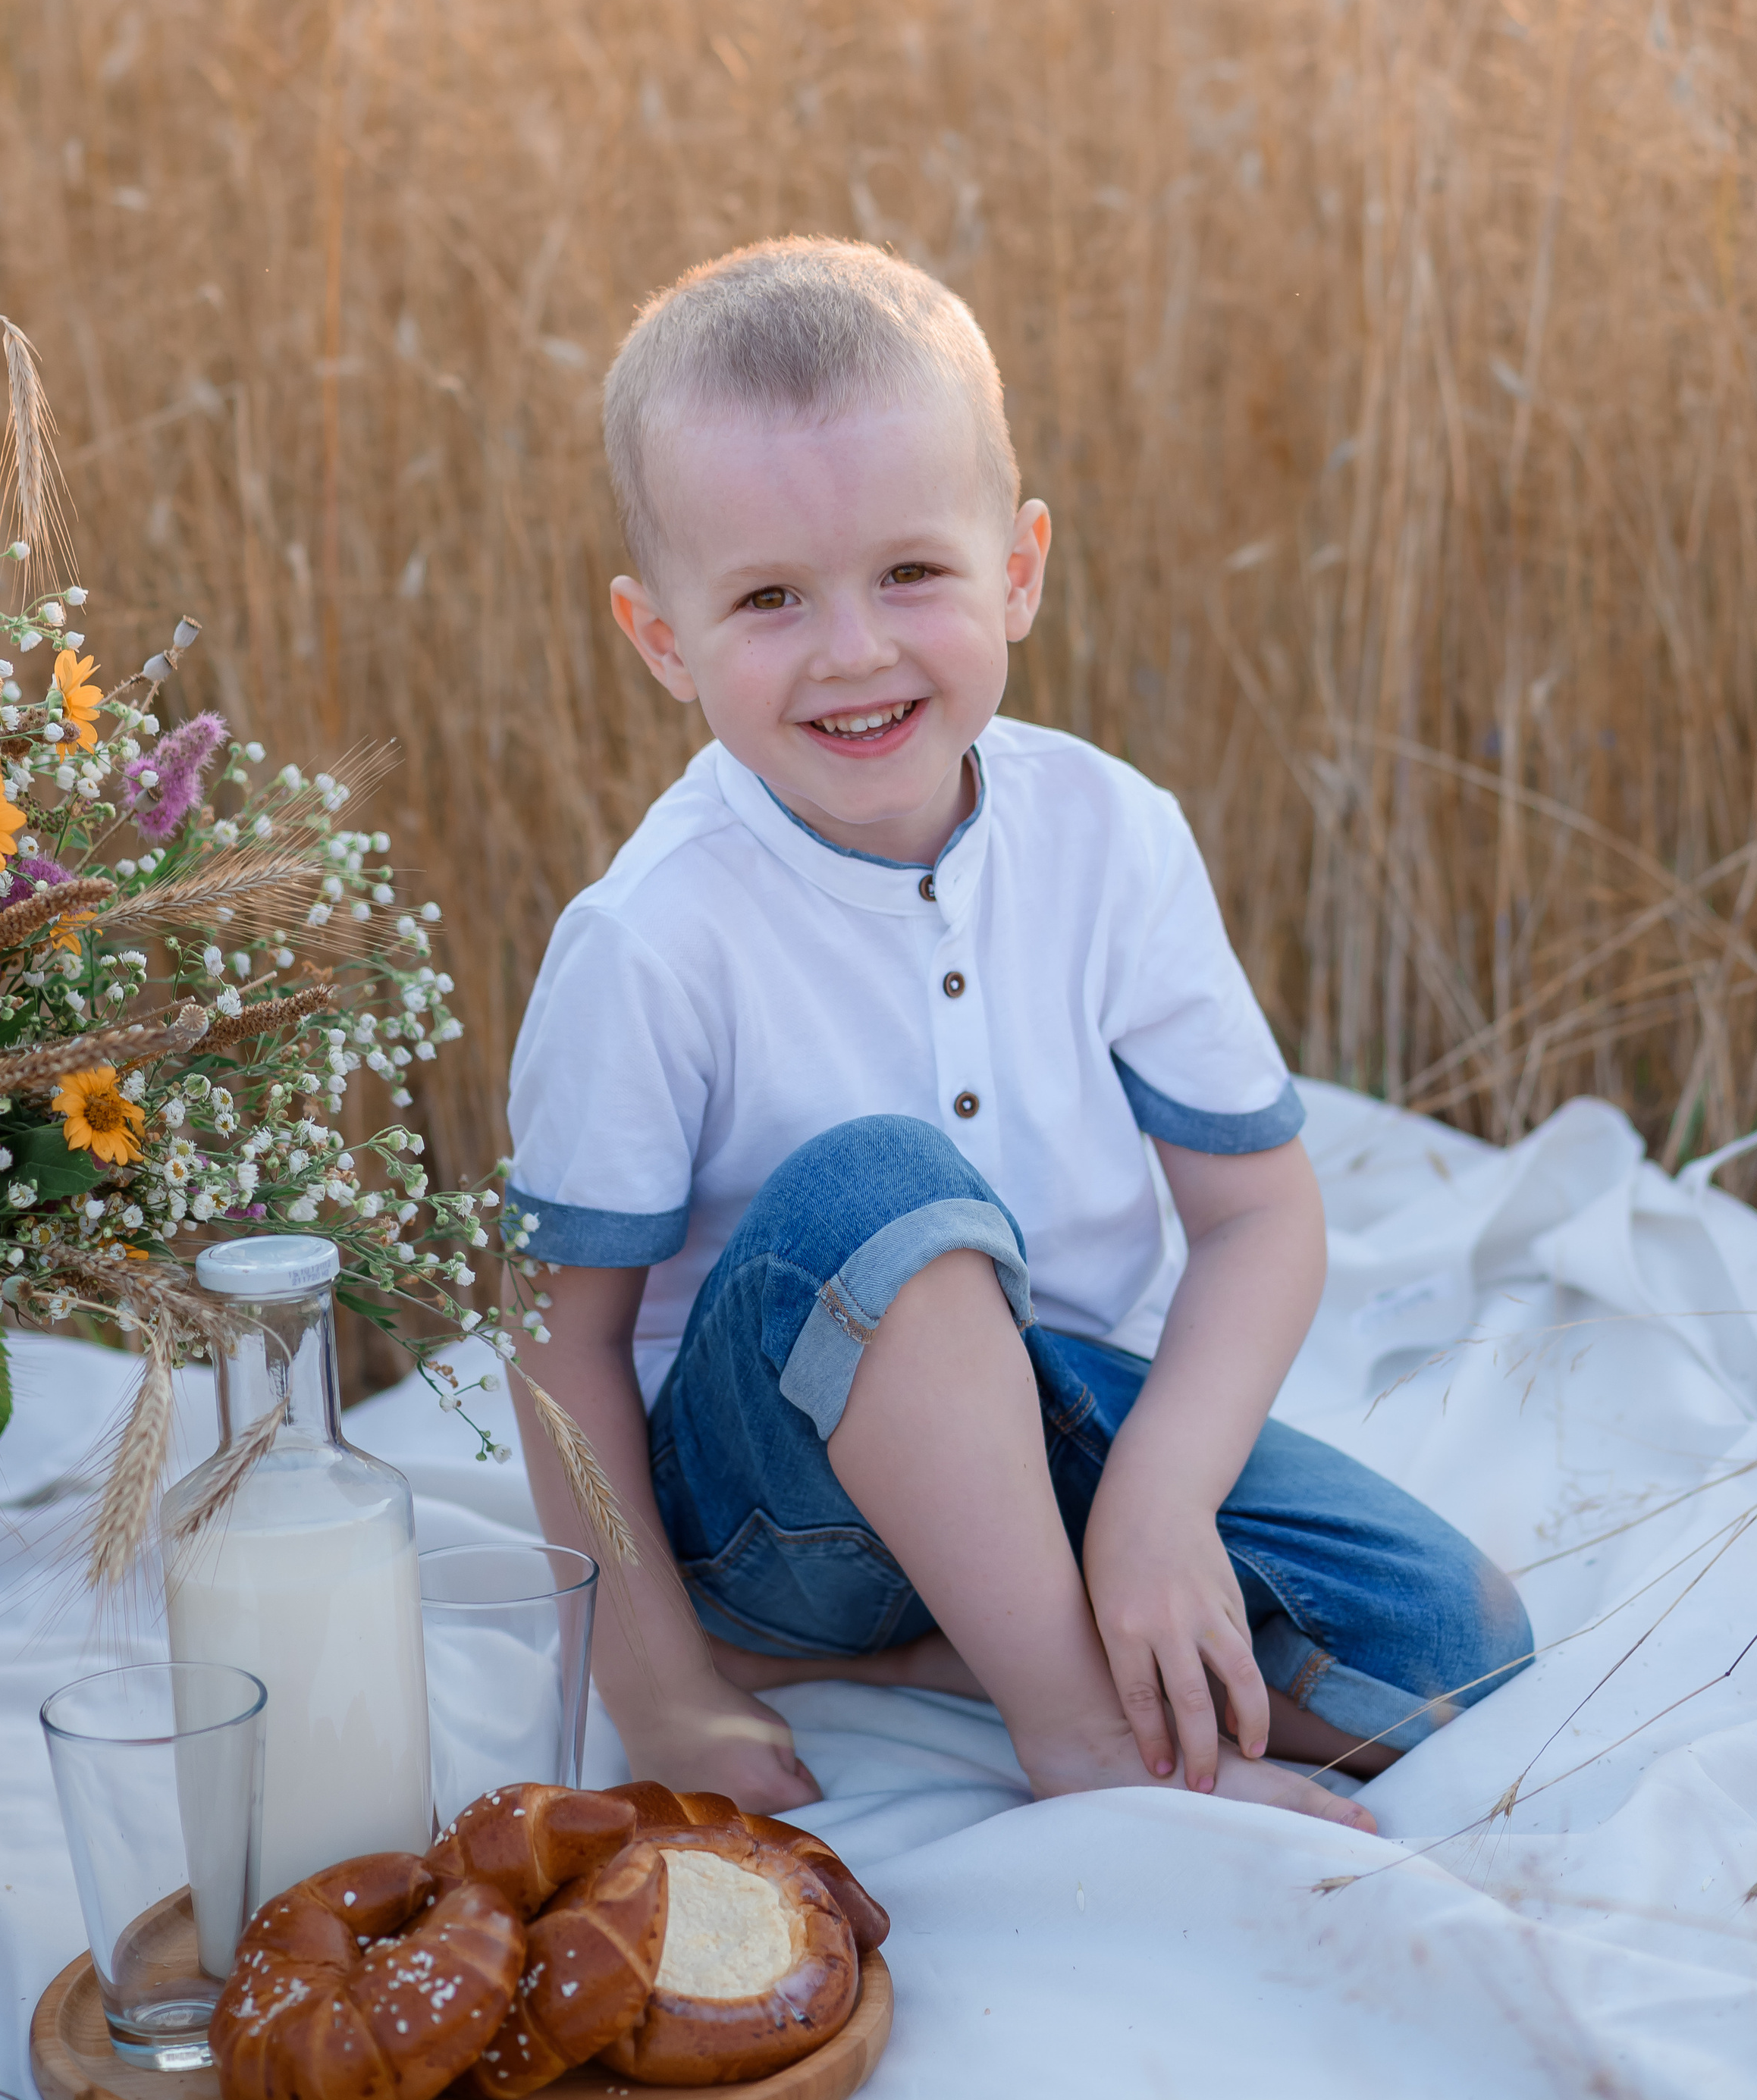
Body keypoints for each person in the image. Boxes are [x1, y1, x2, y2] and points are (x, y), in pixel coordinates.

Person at [502, 236, 1532, 1832]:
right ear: (660, 639)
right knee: (882, 1192)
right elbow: (561, 1342)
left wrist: (1153, 1510)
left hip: (1051, 1423)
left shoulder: (1109, 836)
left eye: (910, 572)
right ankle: (1071, 1725)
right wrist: (655, 1690)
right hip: (773, 1516)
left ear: (1019, 570)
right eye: (768, 598)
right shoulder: (651, 938)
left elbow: (1255, 1214)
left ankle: (962, 1640)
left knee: (1442, 1652)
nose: (853, 650)